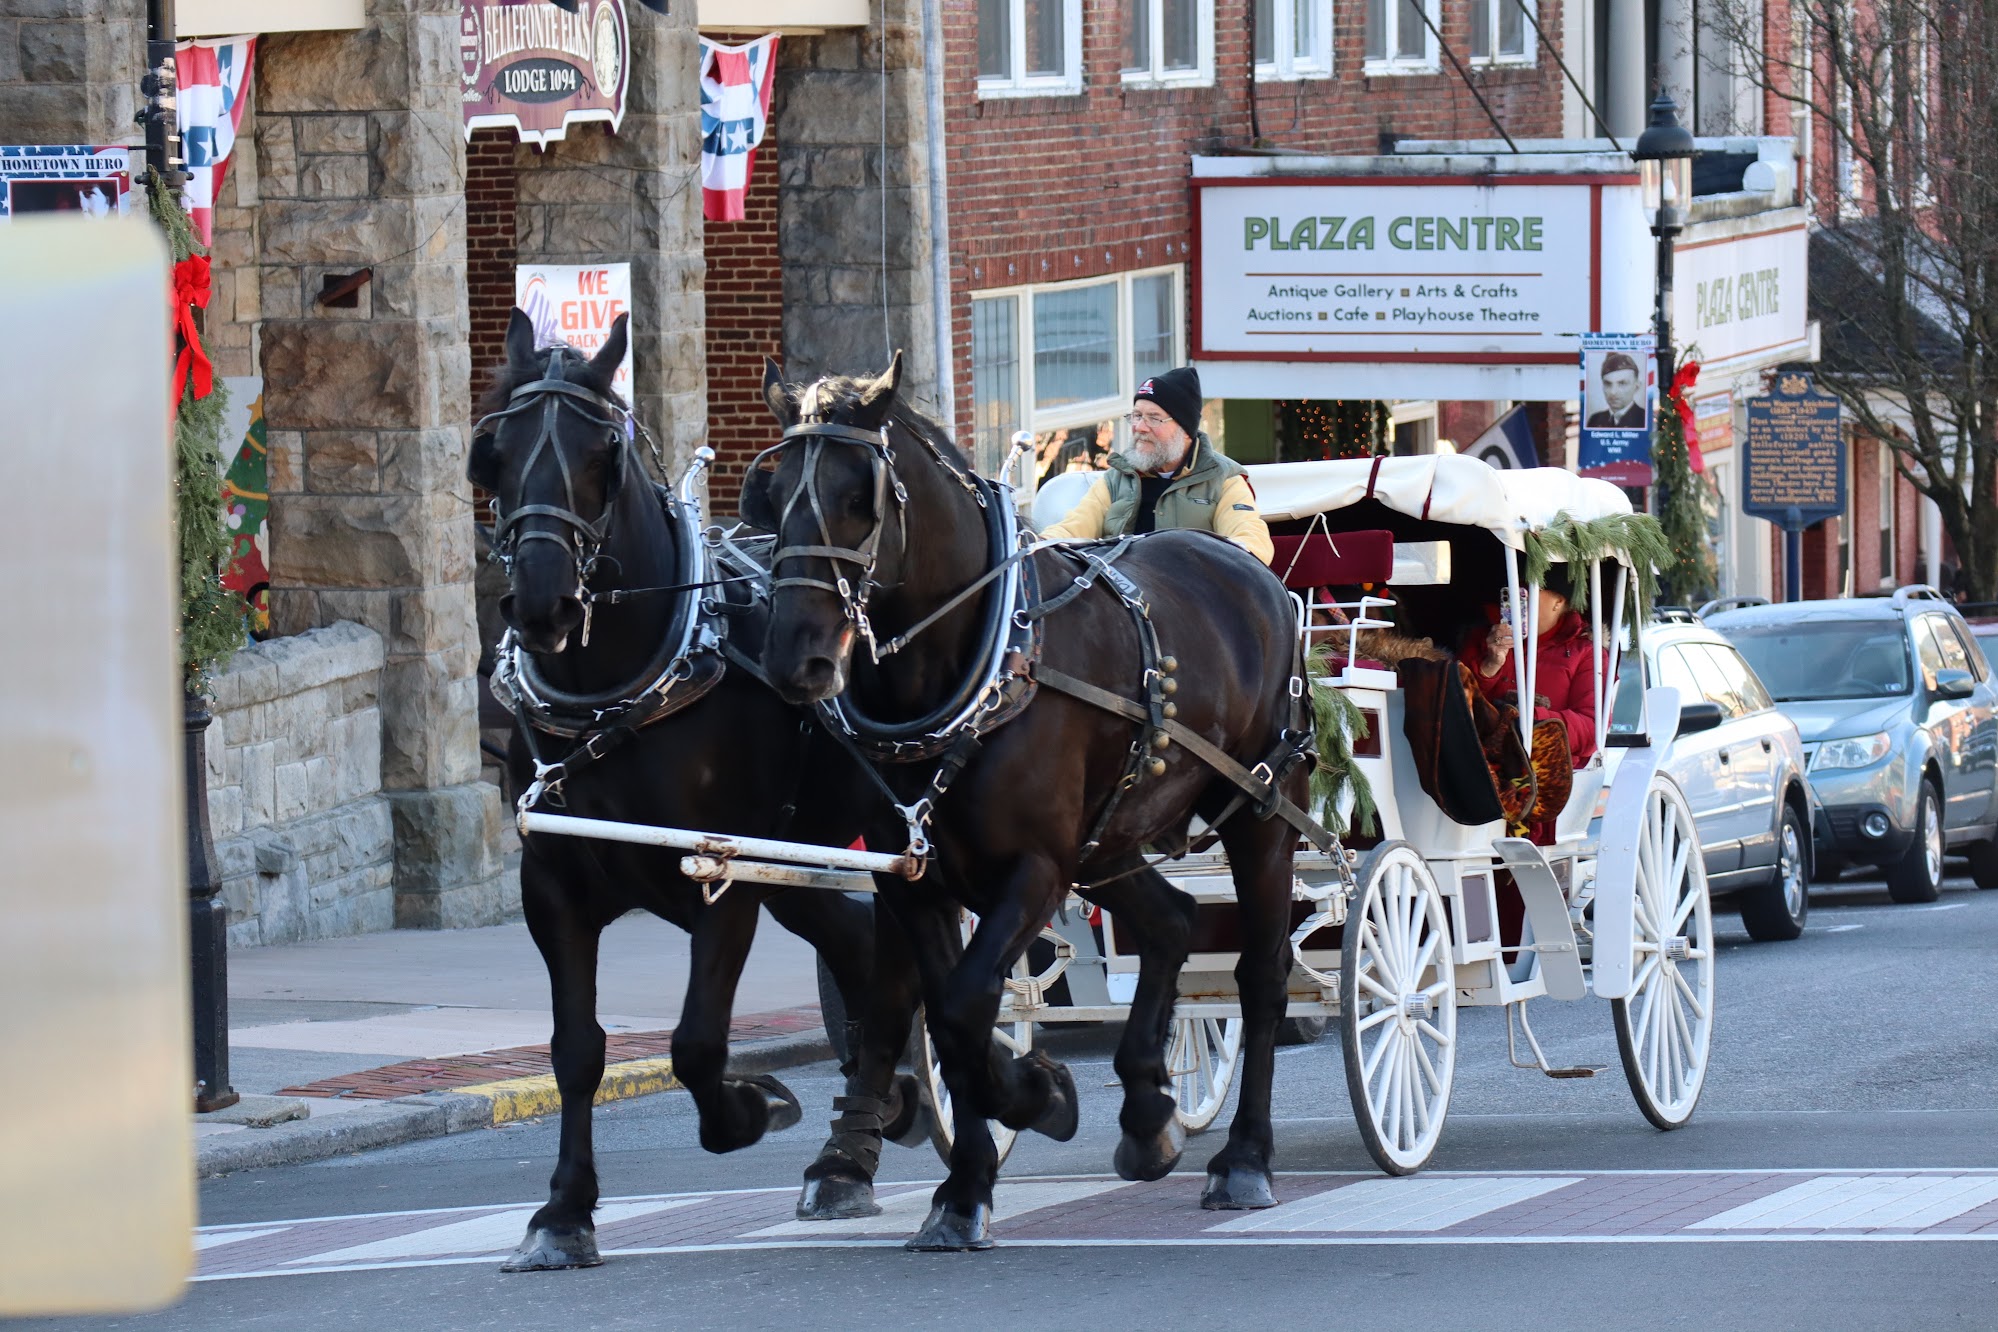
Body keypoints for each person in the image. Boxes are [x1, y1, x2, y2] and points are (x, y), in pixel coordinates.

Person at [1041, 366, 1274, 565]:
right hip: (1123, 605)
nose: (1140, 427)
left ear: (1185, 430)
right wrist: (1036, 546)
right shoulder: (1118, 478)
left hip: (1190, 600)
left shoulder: (1223, 479)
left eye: (1154, 418)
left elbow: (1252, 542)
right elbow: (1073, 528)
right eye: (1136, 415)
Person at [1461, 563, 1604, 765]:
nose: (1516, 601)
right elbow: (1457, 704)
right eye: (1511, 591)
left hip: (1546, 768)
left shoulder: (1587, 653)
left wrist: (1529, 719)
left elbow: (1591, 729)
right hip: (1480, 762)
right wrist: (1489, 667)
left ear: (1558, 601)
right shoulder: (1486, 638)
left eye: (1525, 592)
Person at [1587, 352, 1646, 429]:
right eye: (1608, 384)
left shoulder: (1644, 419)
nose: (1613, 392)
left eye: (1622, 383)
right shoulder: (1595, 420)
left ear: (1637, 386)